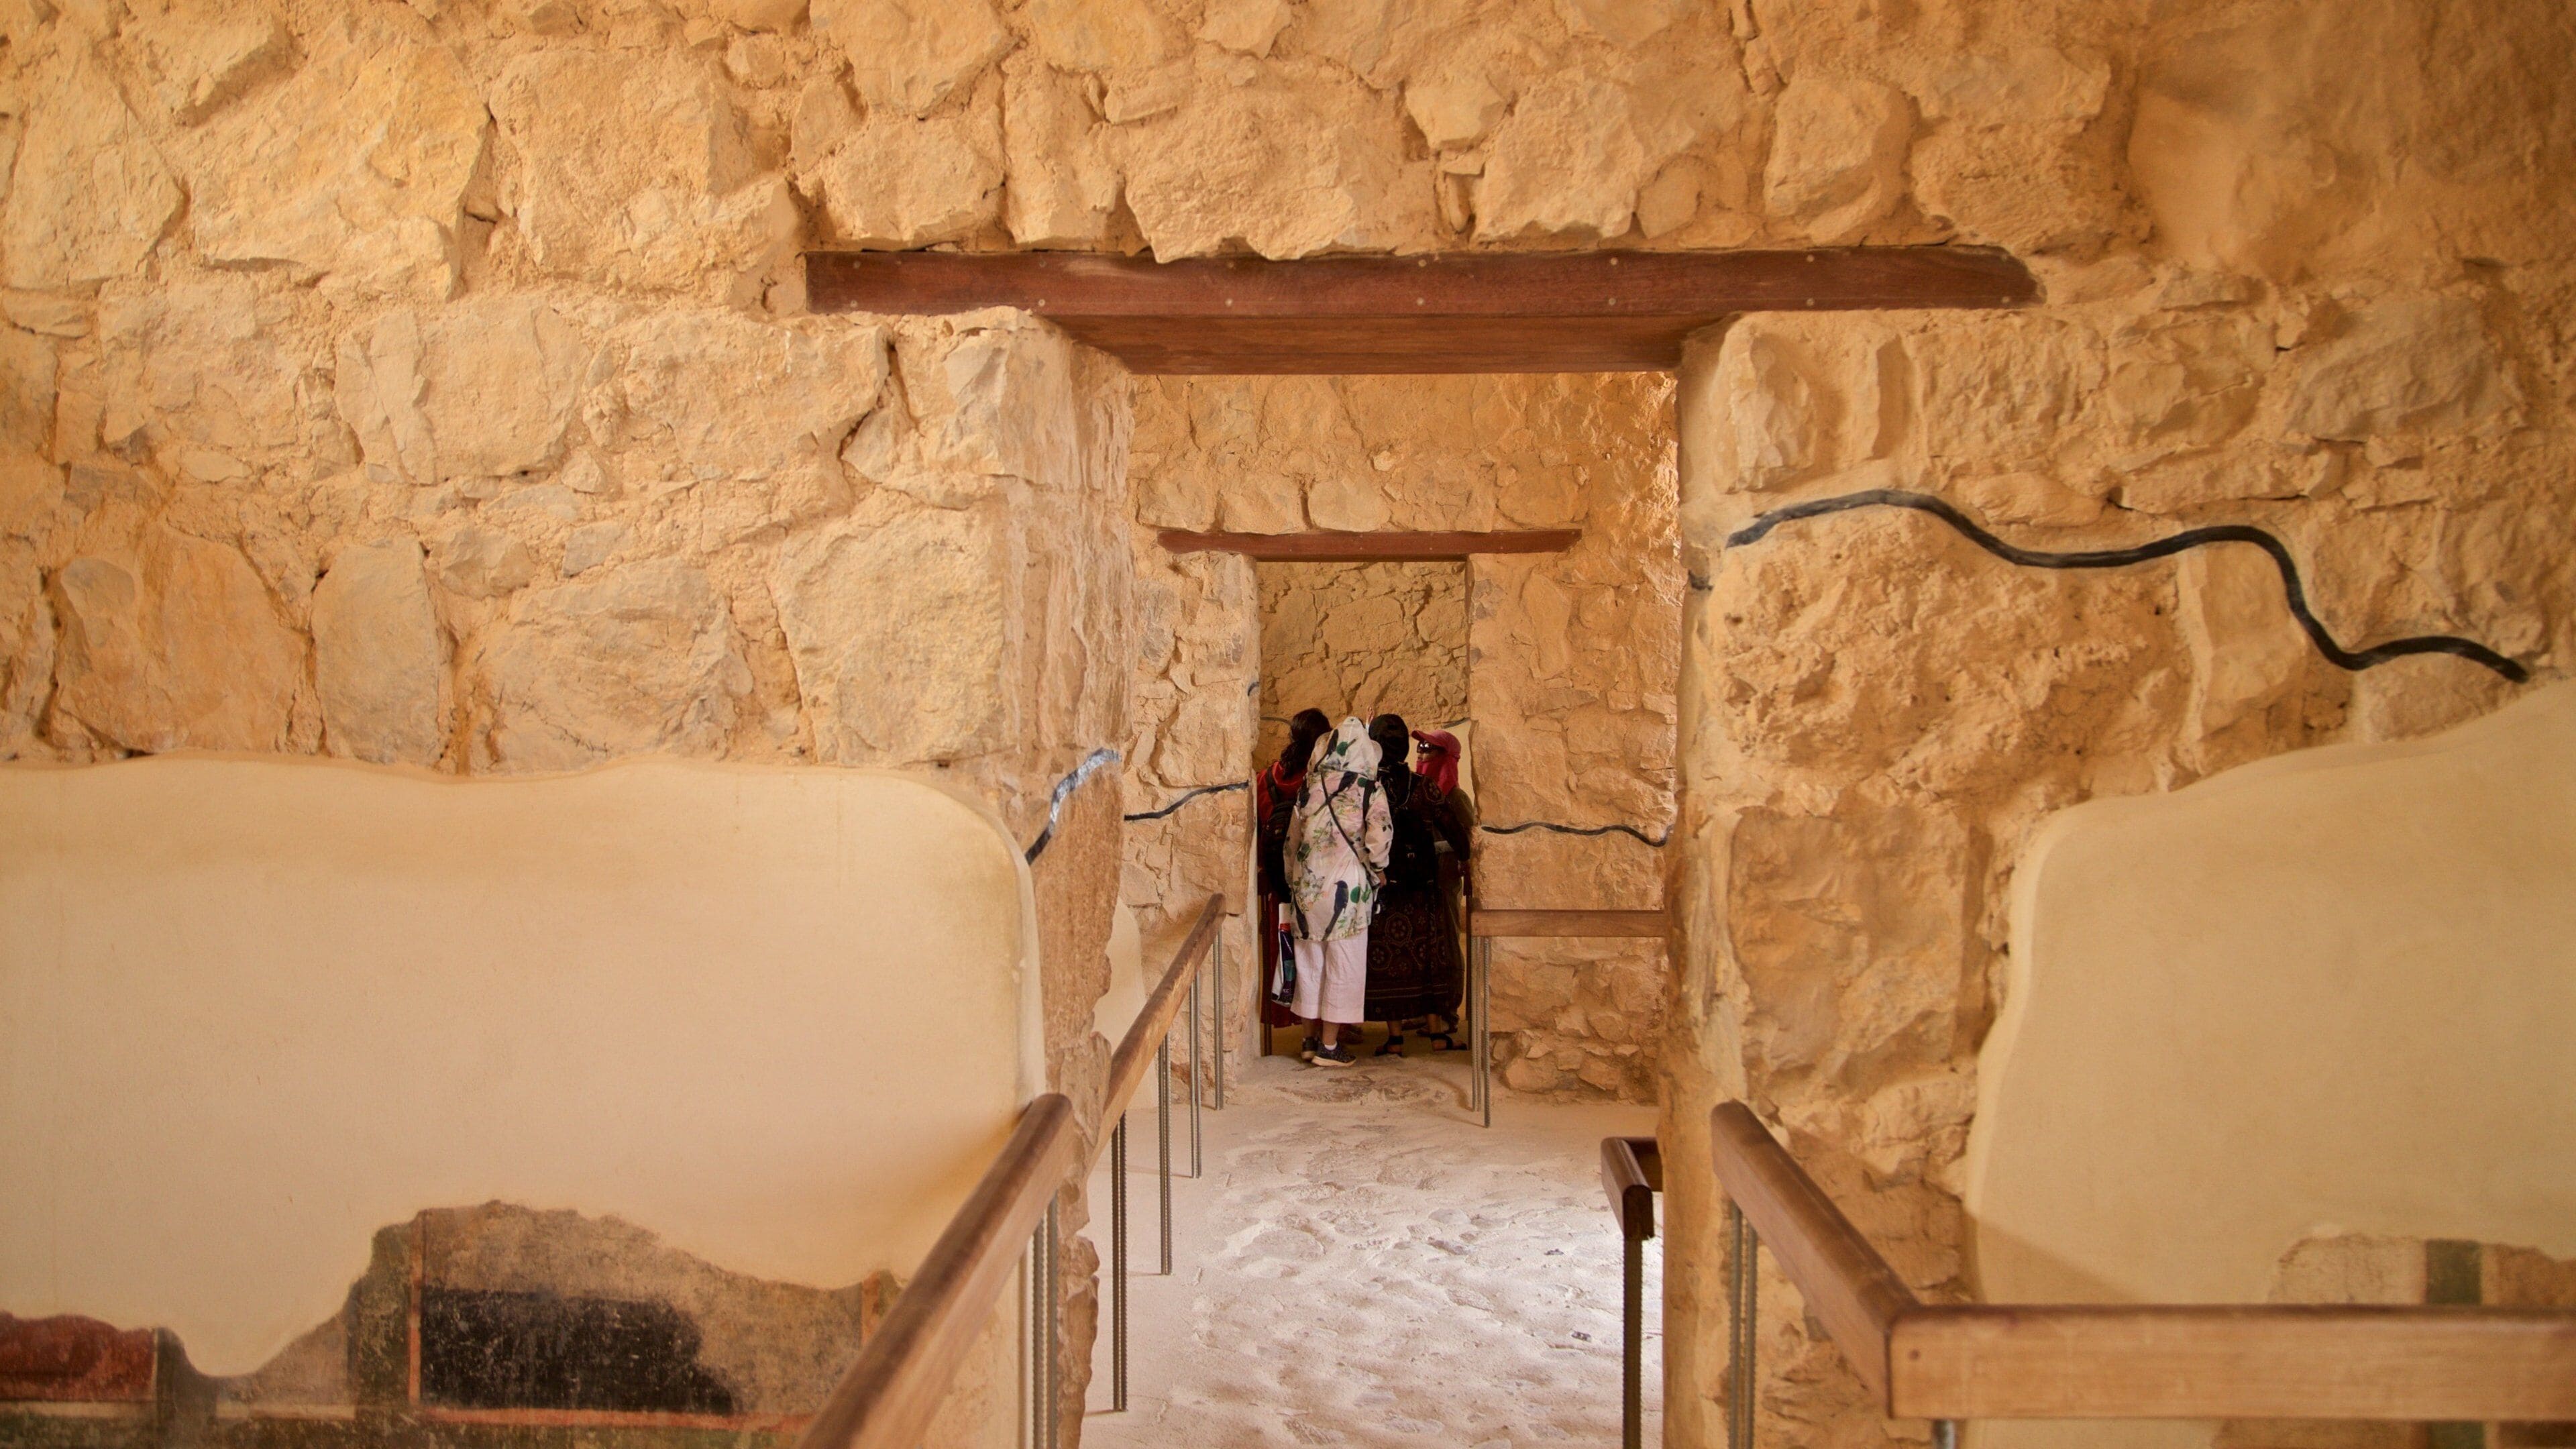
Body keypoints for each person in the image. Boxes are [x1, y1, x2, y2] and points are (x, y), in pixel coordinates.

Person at [1362, 717, 1476, 1054]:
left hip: (1384, 890)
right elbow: (1461, 838)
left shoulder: (1367, 790)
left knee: (1388, 958)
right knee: (1427, 958)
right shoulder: (1425, 789)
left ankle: (1395, 1039)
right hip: (1423, 889)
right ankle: (1437, 1034)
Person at [1285, 718, 1392, 1067]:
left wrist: (1294, 880)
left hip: (1308, 888)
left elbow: (1292, 843)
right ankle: (1330, 1047)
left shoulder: (1307, 787)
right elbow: (1379, 839)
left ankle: (1308, 1040)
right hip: (1347, 891)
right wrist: (1378, 867)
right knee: (1343, 964)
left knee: (1310, 962)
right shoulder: (1368, 789)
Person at [1256, 710, 1332, 1040]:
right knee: (1320, 952)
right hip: (1315, 879)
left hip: (1278, 880)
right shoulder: (1320, 779)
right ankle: (1324, 1023)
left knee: (1283, 947)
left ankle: (1285, 1013)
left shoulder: (1267, 777)